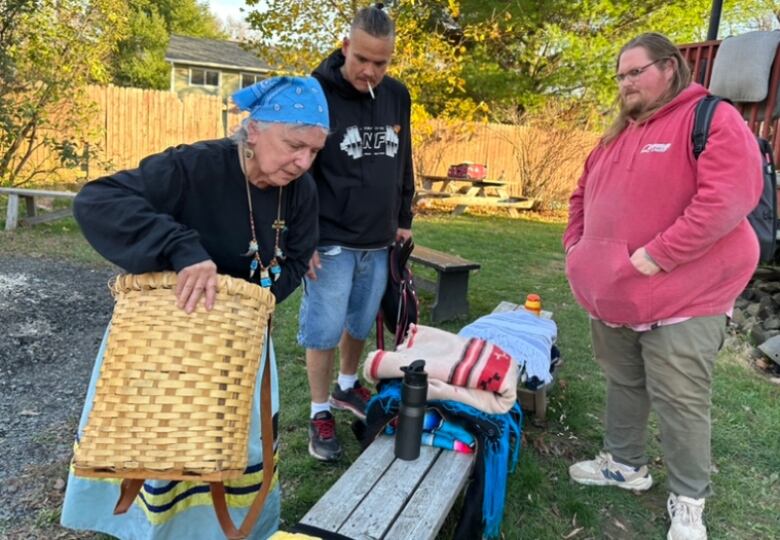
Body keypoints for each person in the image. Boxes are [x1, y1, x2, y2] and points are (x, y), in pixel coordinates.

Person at [60, 76, 329, 539]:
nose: (303, 162)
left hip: (240, 353)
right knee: (166, 453)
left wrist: (247, 303)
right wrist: (183, 249)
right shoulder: (194, 166)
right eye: (293, 145)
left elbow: (300, 254)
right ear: (254, 130)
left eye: (314, 151)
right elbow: (97, 200)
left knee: (235, 455)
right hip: (166, 350)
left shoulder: (301, 191)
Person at [563, 33, 762, 540]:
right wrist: (577, 249)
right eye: (621, 75)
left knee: (681, 400)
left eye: (636, 71)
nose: (626, 83)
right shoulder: (616, 134)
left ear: (670, 68)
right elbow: (581, 195)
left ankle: (689, 499)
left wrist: (657, 255)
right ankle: (626, 465)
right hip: (618, 298)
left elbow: (727, 199)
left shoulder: (711, 119)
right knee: (624, 384)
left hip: (686, 298)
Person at [298, 3, 415, 462]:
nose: (370, 71)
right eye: (362, 59)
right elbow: (299, 169)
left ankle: (348, 386)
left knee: (361, 322)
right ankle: (319, 409)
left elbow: (404, 158)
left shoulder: (397, 96)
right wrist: (300, 239)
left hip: (379, 237)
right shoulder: (315, 92)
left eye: (380, 63)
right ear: (346, 46)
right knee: (323, 329)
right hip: (329, 238)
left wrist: (403, 219)